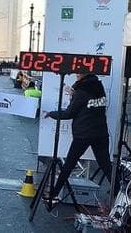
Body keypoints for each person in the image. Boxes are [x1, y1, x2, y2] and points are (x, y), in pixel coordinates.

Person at [44, 71, 112, 200]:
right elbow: (88, 103)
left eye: (78, 73)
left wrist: (51, 113)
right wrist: (74, 95)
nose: (76, 75)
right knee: (106, 165)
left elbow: (68, 114)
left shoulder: (81, 92)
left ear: (82, 76)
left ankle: (54, 193)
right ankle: (119, 192)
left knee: (69, 164)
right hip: (101, 132)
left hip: (83, 134)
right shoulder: (99, 87)